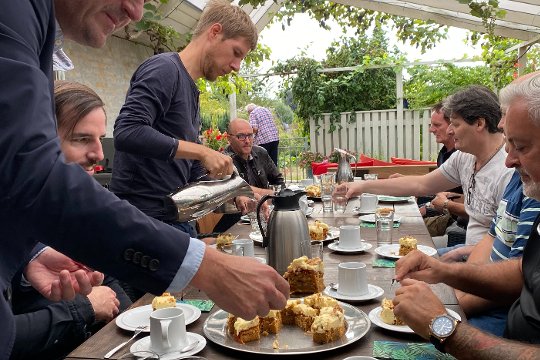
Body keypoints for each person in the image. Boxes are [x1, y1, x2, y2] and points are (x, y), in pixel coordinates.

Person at [0, 1, 289, 357]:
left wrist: (241, 190)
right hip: (146, 222)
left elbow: (184, 171)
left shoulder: (191, 90)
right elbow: (125, 132)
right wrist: (203, 263)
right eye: (236, 53)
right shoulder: (164, 68)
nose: (136, 13)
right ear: (214, 32)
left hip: (162, 228)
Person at [393, 73, 540, 358]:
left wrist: (444, 324)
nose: (509, 160)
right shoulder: (530, 187)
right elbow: (523, 271)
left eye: (520, 147)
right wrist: (443, 271)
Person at [10, 81, 133, 359]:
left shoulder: (80, 210)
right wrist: (86, 309)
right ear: (37, 142)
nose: (99, 155)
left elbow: (110, 282)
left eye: (100, 139)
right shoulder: (12, 221)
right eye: (81, 139)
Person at [337, 85, 513, 261]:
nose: (450, 130)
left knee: (400, 262)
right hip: (467, 253)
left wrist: (456, 267)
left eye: (456, 124)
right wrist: (362, 186)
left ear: (479, 123)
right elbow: (421, 184)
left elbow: (509, 247)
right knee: (395, 258)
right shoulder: (464, 158)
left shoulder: (509, 169)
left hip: (485, 264)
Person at [213, 118, 285, 233]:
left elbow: (278, 181)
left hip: (263, 216)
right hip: (234, 221)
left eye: (250, 135)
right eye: (241, 136)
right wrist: (275, 194)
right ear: (229, 138)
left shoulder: (261, 152)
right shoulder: (224, 161)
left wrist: (280, 197)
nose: (247, 140)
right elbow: (241, 189)